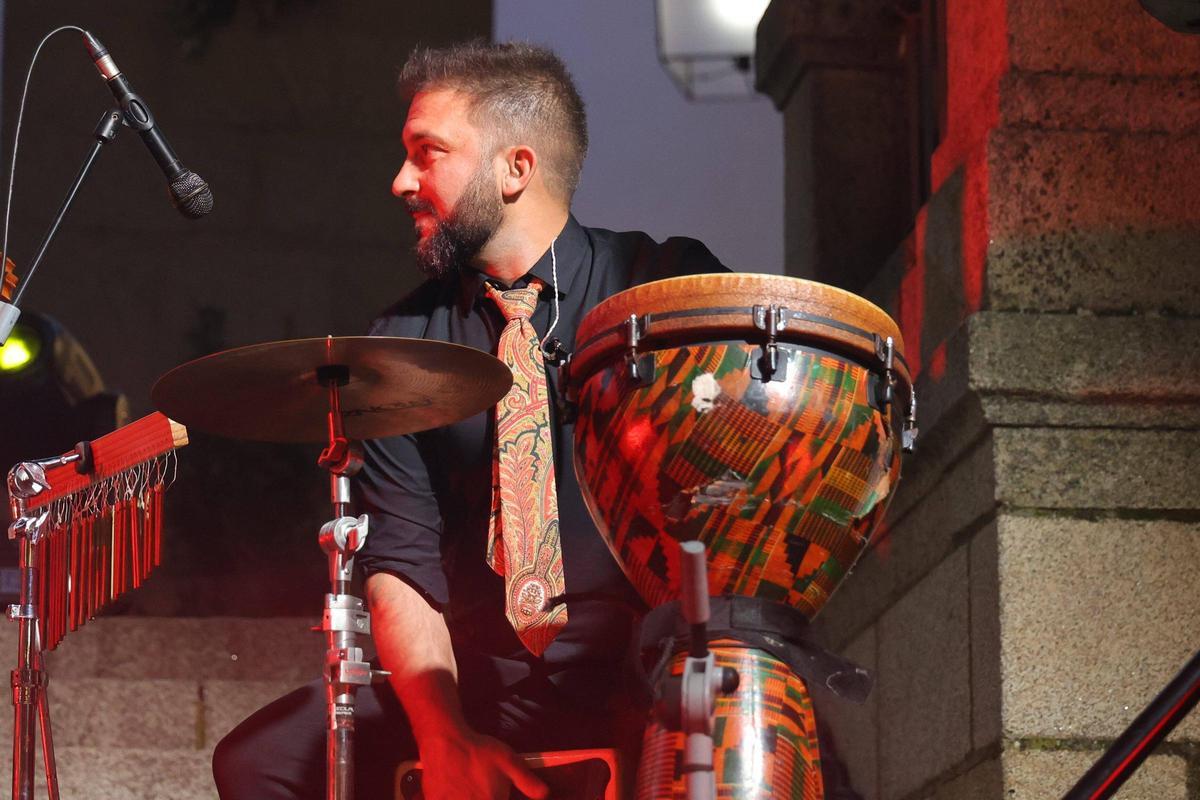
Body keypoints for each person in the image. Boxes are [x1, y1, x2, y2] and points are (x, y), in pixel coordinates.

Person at [212, 40, 726, 800]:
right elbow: (402, 568)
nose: (400, 181)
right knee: (260, 762)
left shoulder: (662, 283)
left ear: (516, 169)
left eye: (428, 155)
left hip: (653, 663)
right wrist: (445, 735)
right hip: (491, 681)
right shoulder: (402, 344)